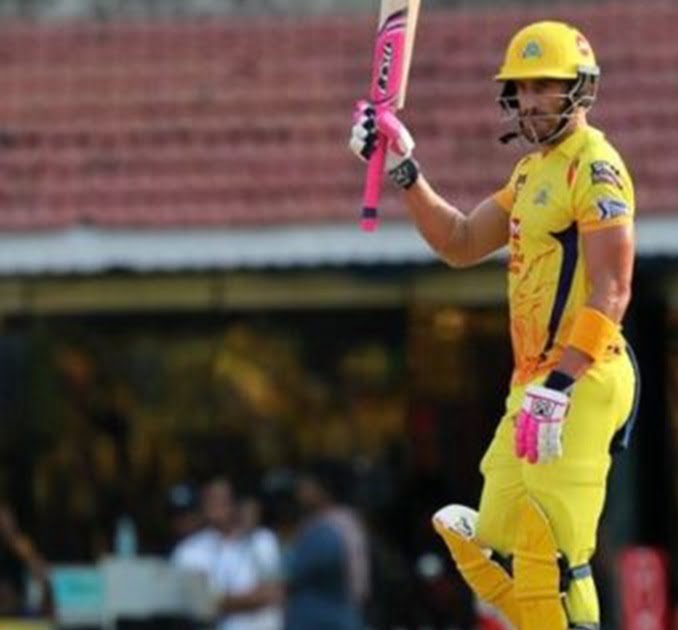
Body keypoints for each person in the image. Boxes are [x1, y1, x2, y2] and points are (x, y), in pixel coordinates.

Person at [349, 19, 639, 630]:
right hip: (531, 381)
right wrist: (403, 166)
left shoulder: (595, 168)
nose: (531, 100)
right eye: (522, 88)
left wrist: (560, 386)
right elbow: (459, 241)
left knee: (554, 554)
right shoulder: (530, 173)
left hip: (583, 376)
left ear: (580, 89)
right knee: (494, 541)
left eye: (545, 86)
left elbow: (613, 287)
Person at [171, 478, 283, 630]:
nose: (216, 506)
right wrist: (254, 598)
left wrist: (227, 600)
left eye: (222, 500)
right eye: (210, 500)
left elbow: (276, 592)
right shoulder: (189, 551)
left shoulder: (263, 540)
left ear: (235, 503)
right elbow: (202, 603)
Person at [283, 461, 369, 630]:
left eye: (306, 485)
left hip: (326, 618)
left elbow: (291, 572)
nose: (299, 491)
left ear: (323, 489)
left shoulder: (326, 531)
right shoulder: (345, 521)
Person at [0, 504, 53, 619]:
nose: (4, 525)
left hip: (22, 612)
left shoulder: (22, 545)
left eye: (7, 520)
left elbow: (45, 577)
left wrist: (30, 556)